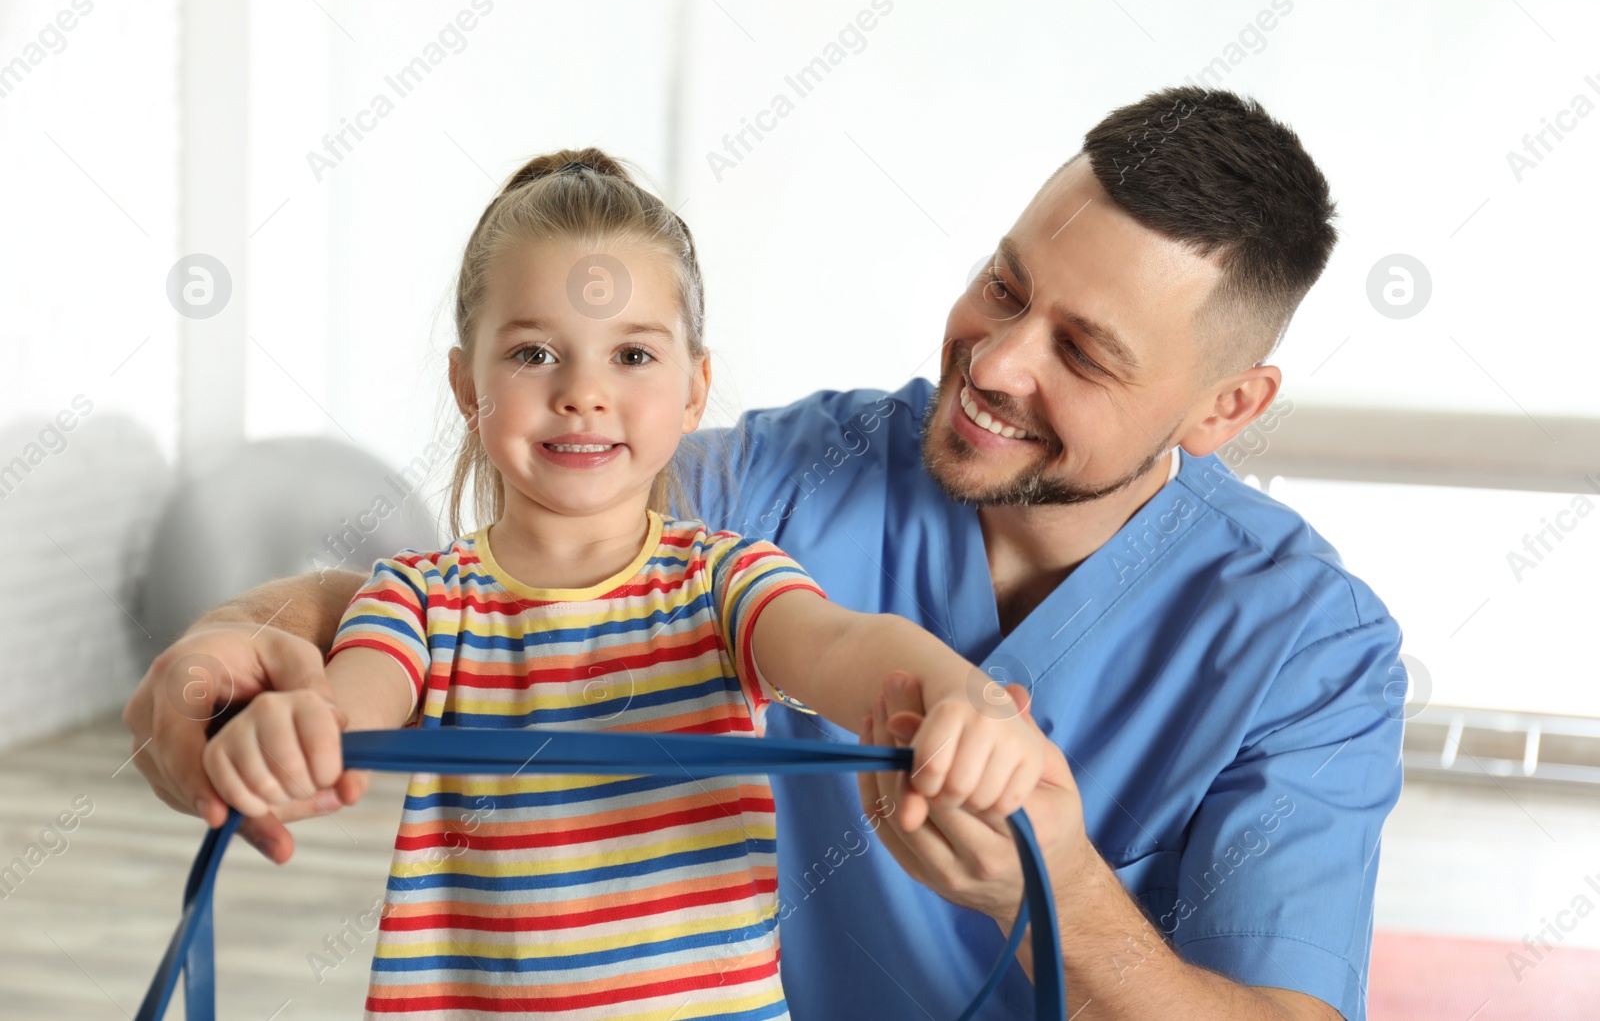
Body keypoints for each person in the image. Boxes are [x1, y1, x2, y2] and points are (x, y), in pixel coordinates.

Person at [126, 86, 1403, 1021]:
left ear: (1225, 407)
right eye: (1003, 287)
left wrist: (1053, 889)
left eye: (1083, 350)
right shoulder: (789, 478)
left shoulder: (1312, 649)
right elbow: (517, 584)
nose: (996, 362)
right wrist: (238, 639)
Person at [195, 148, 1044, 1019]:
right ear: (466, 384)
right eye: (533, 351)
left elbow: (845, 645)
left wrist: (961, 697)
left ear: (693, 388)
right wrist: (298, 732)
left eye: (633, 355)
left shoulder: (725, 581)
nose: (583, 393)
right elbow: (350, 699)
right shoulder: (417, 598)